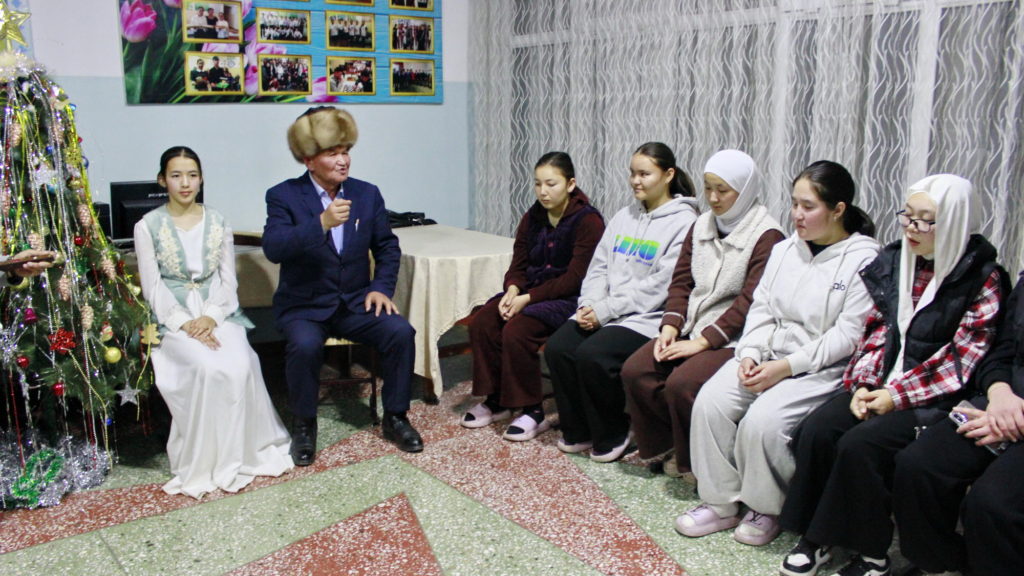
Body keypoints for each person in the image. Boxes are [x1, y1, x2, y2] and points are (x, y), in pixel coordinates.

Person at [777, 174, 1007, 576]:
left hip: (937, 399)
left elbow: (962, 359)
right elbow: (877, 329)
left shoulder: (984, 276)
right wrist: (864, 383)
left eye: (925, 221)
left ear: (954, 222)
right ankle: (817, 535)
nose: (911, 228)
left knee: (862, 445)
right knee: (818, 430)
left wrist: (895, 396)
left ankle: (873, 553)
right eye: (907, 216)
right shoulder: (897, 260)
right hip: (882, 384)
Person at [677, 161, 879, 547]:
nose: (797, 214)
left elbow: (848, 335)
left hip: (819, 367)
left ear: (838, 210)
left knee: (763, 423)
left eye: (808, 207)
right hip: (766, 354)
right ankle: (720, 502)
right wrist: (750, 353)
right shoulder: (785, 250)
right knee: (710, 403)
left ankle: (765, 508)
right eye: (794, 204)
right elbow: (762, 308)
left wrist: (786, 368)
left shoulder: (864, 259)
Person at [263, 106, 422, 466]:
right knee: (304, 346)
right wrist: (320, 223)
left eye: (346, 151)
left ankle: (396, 417)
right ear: (309, 160)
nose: (343, 160)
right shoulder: (283, 196)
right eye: (332, 153)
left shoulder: (367, 194)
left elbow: (387, 247)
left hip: (354, 303)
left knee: (400, 332)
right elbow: (274, 248)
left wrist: (380, 288)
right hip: (304, 306)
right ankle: (304, 425)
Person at [134, 146, 293, 499]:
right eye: (176, 175)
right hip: (173, 318)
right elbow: (153, 287)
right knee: (206, 367)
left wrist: (212, 316)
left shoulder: (219, 221)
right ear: (162, 180)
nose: (185, 183)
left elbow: (227, 280)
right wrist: (184, 322)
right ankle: (205, 458)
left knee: (242, 363)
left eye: (192, 175)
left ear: (201, 179)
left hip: (217, 311)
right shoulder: (147, 226)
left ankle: (244, 453)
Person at [620, 149, 785, 479]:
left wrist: (703, 343)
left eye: (723, 190)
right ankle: (669, 445)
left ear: (745, 190)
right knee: (636, 370)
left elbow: (750, 302)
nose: (713, 198)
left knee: (682, 383)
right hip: (692, 325)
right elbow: (681, 281)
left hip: (735, 338)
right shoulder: (701, 225)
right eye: (708, 188)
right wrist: (670, 326)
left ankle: (695, 463)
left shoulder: (767, 235)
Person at [544, 142, 700, 463]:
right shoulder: (623, 216)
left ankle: (615, 431)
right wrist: (589, 305)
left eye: (645, 174)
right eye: (632, 173)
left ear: (668, 175)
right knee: (558, 348)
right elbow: (598, 266)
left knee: (593, 355)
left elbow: (660, 287)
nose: (635, 181)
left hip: (647, 317)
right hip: (604, 310)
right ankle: (579, 429)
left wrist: (605, 311)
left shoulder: (685, 222)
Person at [461, 152, 604, 440]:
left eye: (551, 184)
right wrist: (513, 289)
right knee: (483, 321)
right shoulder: (532, 216)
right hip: (528, 292)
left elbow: (575, 278)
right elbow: (519, 263)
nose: (543, 191)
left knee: (518, 330)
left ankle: (532, 410)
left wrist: (526, 299)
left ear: (570, 184)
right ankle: (497, 400)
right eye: (538, 184)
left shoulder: (588, 221)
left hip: (569, 299)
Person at [893, 270, 1024, 576]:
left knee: (992, 504)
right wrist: (999, 393)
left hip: (1014, 416)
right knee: (918, 466)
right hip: (1004, 401)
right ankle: (942, 566)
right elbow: (1002, 350)